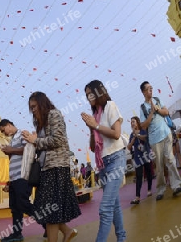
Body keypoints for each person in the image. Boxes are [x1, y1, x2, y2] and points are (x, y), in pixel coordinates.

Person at [22, 91, 80, 242]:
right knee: (45, 209)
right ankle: (66, 231)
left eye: (34, 106)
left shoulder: (54, 114)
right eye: (31, 108)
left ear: (42, 103)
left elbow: (58, 139)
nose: (33, 110)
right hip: (45, 168)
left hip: (57, 167)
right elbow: (43, 144)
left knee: (50, 211)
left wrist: (36, 141)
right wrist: (32, 141)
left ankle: (61, 235)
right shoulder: (40, 122)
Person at [81, 80, 126, 242]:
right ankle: (122, 238)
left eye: (91, 93)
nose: (89, 97)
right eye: (86, 95)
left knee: (105, 208)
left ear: (99, 92)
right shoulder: (95, 115)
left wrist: (97, 126)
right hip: (103, 165)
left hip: (116, 159)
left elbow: (116, 133)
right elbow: (93, 147)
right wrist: (91, 127)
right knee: (114, 206)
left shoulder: (110, 106)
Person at [0, 118, 46, 241]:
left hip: (23, 176)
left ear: (8, 125)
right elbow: (15, 157)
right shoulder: (13, 139)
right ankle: (16, 233)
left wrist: (11, 150)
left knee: (23, 204)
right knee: (15, 208)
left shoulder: (22, 134)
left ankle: (47, 223)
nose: (4, 133)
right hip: (14, 178)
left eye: (4, 130)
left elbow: (29, 150)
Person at [139, 81, 181, 200]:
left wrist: (157, 109)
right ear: (143, 92)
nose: (150, 90)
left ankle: (176, 185)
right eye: (148, 89)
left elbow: (166, 112)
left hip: (166, 134)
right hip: (154, 140)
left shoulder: (157, 100)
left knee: (171, 160)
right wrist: (151, 113)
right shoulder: (142, 108)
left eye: (151, 88)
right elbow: (143, 125)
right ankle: (161, 189)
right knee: (160, 165)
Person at [127, 116, 152, 204]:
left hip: (146, 155)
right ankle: (137, 197)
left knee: (149, 172)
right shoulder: (131, 135)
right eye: (131, 122)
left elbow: (145, 138)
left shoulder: (143, 131)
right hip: (138, 158)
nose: (132, 123)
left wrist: (137, 134)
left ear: (137, 122)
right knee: (138, 176)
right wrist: (134, 137)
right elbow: (129, 147)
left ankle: (149, 189)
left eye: (133, 121)